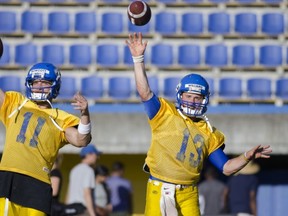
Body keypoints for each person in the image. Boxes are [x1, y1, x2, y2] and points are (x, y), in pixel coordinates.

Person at [125, 32, 273, 216]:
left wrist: (246, 157)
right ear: (180, 95)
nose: (193, 101)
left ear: (204, 100)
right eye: (189, 96)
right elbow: (144, 91)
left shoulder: (209, 132)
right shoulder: (164, 113)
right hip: (160, 188)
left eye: (197, 98)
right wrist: (138, 58)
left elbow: (226, 168)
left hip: (189, 193)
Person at [0, 62, 92, 216]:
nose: (39, 86)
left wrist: (85, 114)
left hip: (38, 184)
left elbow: (81, 140)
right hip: (10, 176)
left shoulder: (61, 117)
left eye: (45, 82)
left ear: (54, 86)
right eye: (35, 82)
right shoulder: (17, 102)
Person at [66, 144, 102, 216]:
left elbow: (69, 192)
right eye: (96, 155)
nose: (97, 157)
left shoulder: (74, 170)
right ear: (89, 154)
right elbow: (87, 193)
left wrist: (66, 209)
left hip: (71, 209)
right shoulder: (89, 170)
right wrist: (92, 214)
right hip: (82, 210)